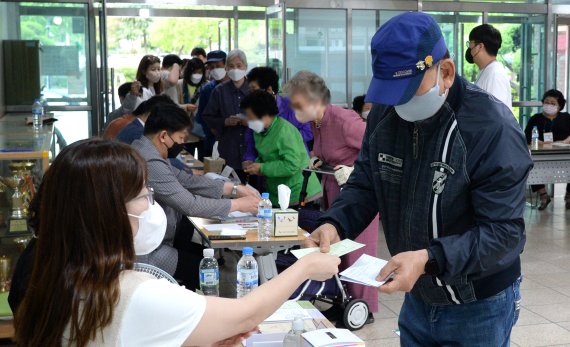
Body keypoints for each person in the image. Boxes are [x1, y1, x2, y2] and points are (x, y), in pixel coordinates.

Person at [306, 12, 533, 345]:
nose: (400, 104)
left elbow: (504, 233)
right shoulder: (386, 115)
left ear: (446, 72)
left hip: (477, 303)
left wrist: (429, 258)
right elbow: (367, 182)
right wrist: (334, 224)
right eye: (392, 93)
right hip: (418, 296)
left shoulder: (490, 129)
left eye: (410, 91)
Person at [12, 138, 340, 346]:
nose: (152, 205)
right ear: (107, 212)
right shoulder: (131, 292)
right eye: (143, 196)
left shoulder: (50, 269)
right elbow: (245, 314)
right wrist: (306, 266)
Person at [284, 70, 380, 321]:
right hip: (333, 189)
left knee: (359, 251)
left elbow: (378, 146)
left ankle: (364, 307)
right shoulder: (316, 122)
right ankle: (342, 298)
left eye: (298, 105)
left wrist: (355, 169)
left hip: (359, 194)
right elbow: (325, 148)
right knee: (336, 248)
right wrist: (317, 157)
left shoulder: (344, 119)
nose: (295, 111)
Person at [131, 103, 260, 288]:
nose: (183, 144)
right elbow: (189, 205)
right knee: (205, 268)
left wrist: (233, 188)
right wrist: (238, 205)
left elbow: (186, 181)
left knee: (203, 252)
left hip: (159, 236)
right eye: (181, 138)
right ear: (163, 136)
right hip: (149, 252)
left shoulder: (148, 150)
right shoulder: (150, 161)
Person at [241, 90, 321, 206]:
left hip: (298, 193)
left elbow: (291, 165)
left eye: (250, 117)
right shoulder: (259, 131)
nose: (248, 121)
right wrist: (254, 164)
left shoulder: (284, 130)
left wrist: (262, 168)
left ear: (264, 114)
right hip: (276, 192)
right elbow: (267, 156)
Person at [243, 67, 313, 164]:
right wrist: (249, 159)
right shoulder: (253, 110)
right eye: (249, 91)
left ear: (269, 89)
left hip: (295, 165)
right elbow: (251, 140)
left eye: (254, 90)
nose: (250, 95)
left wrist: (281, 140)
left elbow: (309, 131)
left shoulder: (292, 106)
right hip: (266, 168)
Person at [202, 49, 250, 179]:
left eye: (239, 65)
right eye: (231, 66)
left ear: (245, 66)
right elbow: (207, 117)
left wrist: (249, 122)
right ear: (226, 68)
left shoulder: (253, 89)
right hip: (228, 150)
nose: (235, 69)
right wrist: (225, 121)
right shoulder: (219, 91)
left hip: (252, 151)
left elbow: (266, 120)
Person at [524, 89, 570, 210]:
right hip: (541, 152)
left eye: (553, 103)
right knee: (531, 164)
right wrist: (539, 142)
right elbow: (527, 136)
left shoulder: (566, 118)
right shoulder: (536, 118)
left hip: (563, 152)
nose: (549, 105)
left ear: (559, 106)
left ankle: (569, 195)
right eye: (546, 102)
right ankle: (544, 195)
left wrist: (565, 141)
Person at [466, 24, 513, 111]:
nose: (469, 49)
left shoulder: (495, 75)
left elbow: (496, 116)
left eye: (470, 44)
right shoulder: (487, 71)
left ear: (480, 46)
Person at [195, 50, 229, 160]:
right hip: (211, 141)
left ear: (226, 65)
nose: (215, 70)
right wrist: (211, 129)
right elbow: (201, 116)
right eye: (211, 67)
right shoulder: (207, 89)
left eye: (218, 66)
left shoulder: (235, 87)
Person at [180, 57, 208, 158]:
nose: (197, 75)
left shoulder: (207, 85)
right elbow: (171, 105)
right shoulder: (180, 84)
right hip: (185, 132)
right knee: (187, 163)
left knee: (204, 162)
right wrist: (185, 107)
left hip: (202, 131)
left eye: (200, 72)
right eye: (194, 72)